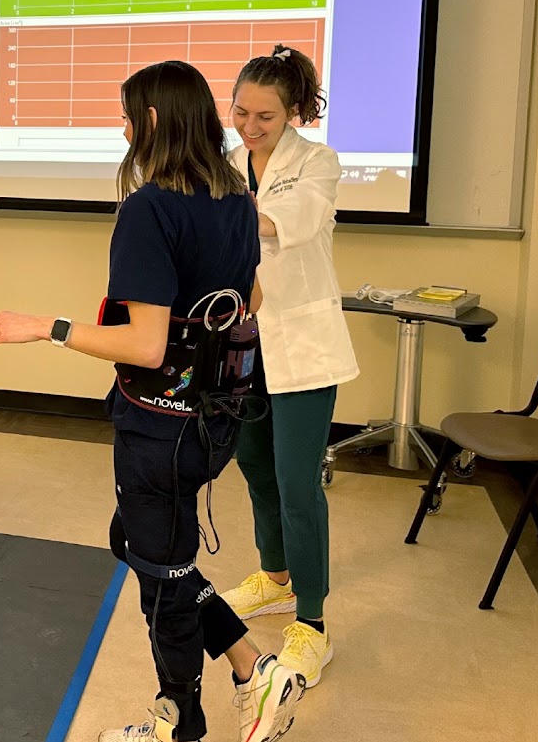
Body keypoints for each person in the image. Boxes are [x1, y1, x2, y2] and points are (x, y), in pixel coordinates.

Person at [0, 60, 305, 742]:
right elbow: (250, 300)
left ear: (153, 121)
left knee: (161, 576)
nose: (121, 126)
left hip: (161, 427)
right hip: (216, 421)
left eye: (127, 114)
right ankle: (252, 665)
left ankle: (178, 724)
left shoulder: (150, 207)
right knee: (139, 542)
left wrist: (46, 327)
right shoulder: (235, 199)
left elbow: (147, 346)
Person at [220, 46, 359, 690]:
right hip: (245, 346)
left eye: (264, 118)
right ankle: (275, 577)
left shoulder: (318, 164)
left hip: (303, 347)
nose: (248, 126)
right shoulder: (227, 165)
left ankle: (313, 622)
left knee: (297, 481)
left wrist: (213, 209)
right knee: (252, 464)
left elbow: (287, 224)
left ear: (294, 112)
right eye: (240, 111)